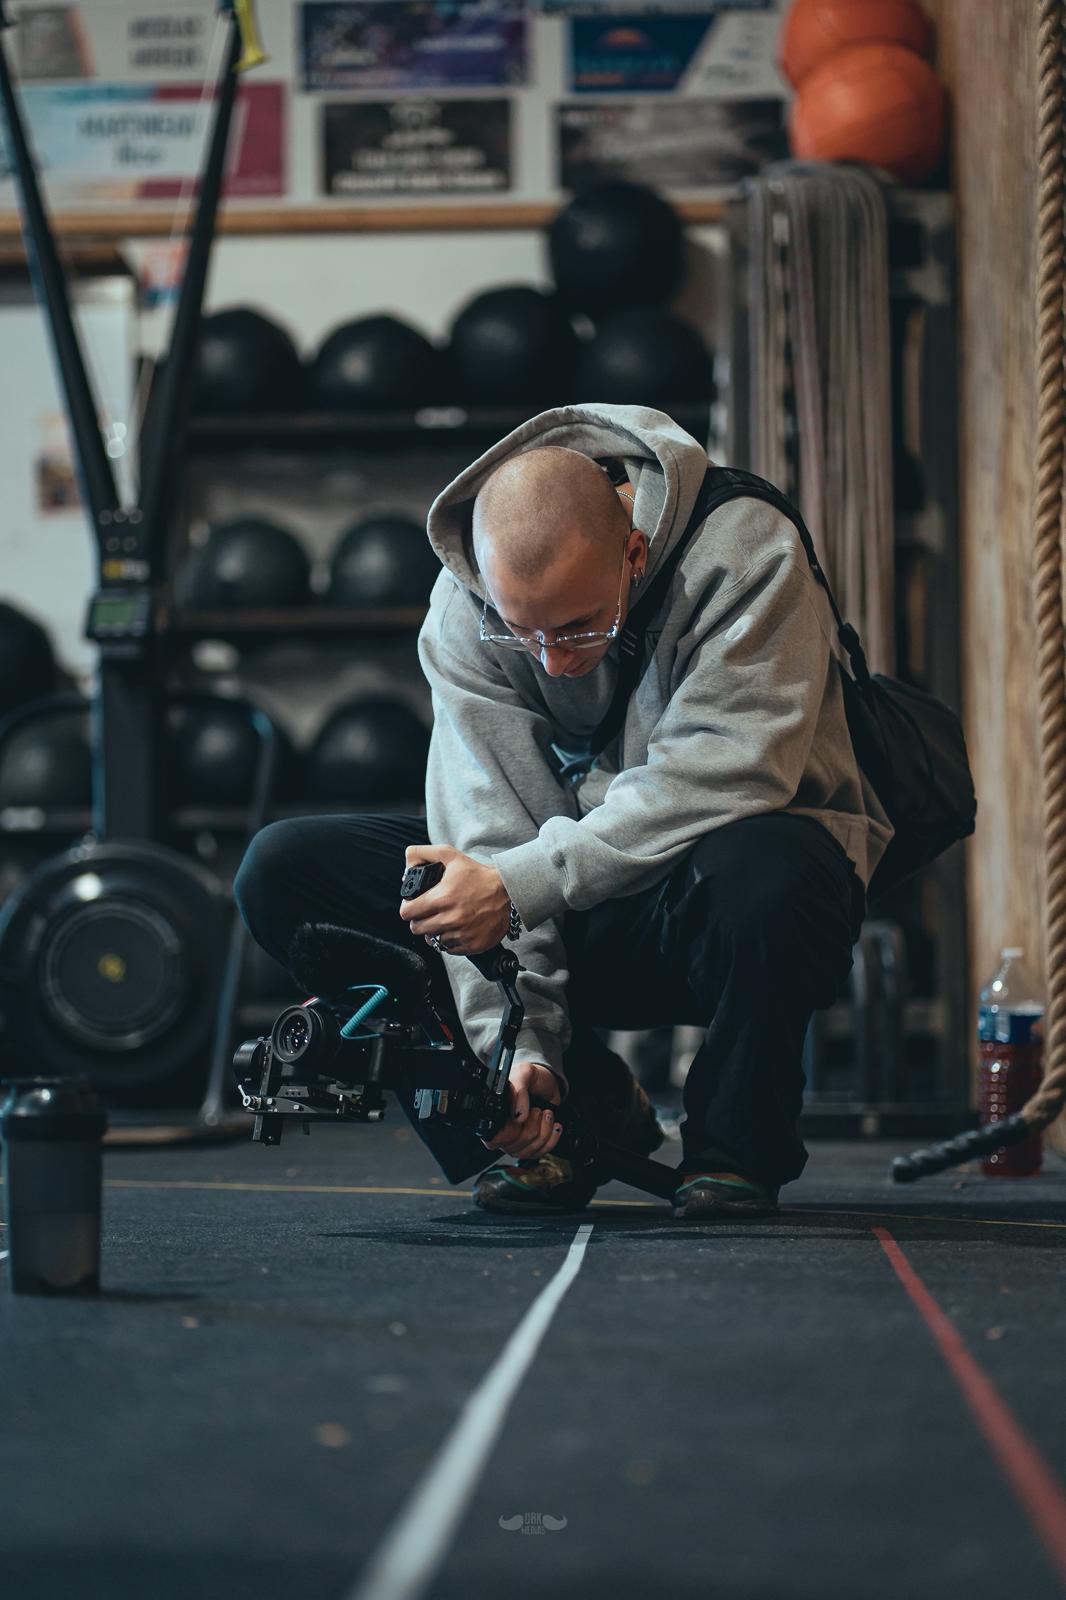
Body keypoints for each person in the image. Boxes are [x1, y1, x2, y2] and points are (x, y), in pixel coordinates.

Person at [234, 405, 892, 1219]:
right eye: (526, 635)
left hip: (719, 908)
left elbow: (727, 772)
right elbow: (484, 830)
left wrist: (516, 885)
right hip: (566, 900)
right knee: (287, 870)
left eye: (581, 626)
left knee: (769, 865)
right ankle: (554, 1115)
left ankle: (734, 1144)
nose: (556, 659)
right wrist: (517, 1046)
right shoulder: (466, 606)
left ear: (634, 551)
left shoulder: (745, 549)